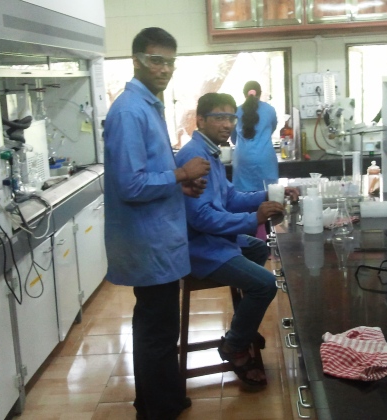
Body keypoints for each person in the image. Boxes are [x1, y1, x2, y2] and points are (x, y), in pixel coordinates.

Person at [103, 27, 210, 420]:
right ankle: (157, 410)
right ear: (136, 60)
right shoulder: (129, 111)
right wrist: (181, 174)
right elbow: (131, 185)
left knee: (158, 327)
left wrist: (179, 186)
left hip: (158, 237)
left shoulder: (148, 105)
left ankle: (157, 400)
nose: (164, 69)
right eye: (156, 60)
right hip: (147, 242)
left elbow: (149, 172)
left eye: (170, 62)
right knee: (157, 330)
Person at [175, 92, 298, 387]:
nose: (227, 124)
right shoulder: (194, 156)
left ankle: (244, 325)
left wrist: (268, 195)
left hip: (214, 241)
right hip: (200, 249)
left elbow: (229, 198)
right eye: (219, 117)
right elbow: (201, 218)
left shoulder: (211, 152)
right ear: (200, 120)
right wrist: (253, 218)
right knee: (265, 284)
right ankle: (234, 345)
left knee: (257, 248)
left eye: (231, 117)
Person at [230, 81, 278, 192]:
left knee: (242, 196)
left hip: (242, 159)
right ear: (260, 93)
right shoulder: (270, 110)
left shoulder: (236, 112)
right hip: (266, 159)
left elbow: (233, 137)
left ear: (244, 94)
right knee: (268, 194)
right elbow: (272, 129)